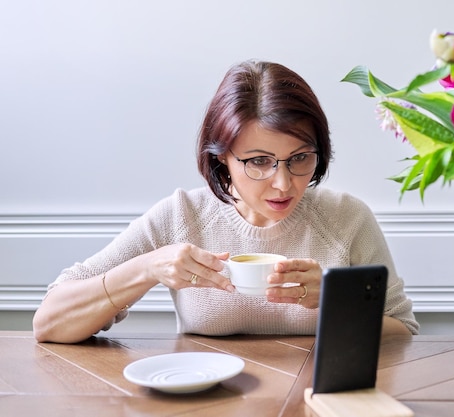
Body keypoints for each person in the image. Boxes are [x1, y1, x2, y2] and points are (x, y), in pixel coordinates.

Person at [32, 60, 420, 344]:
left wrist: (337, 300)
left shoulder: (346, 218)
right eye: (259, 162)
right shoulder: (181, 216)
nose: (283, 183)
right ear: (223, 158)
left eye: (300, 158)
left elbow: (403, 330)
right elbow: (49, 323)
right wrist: (149, 267)